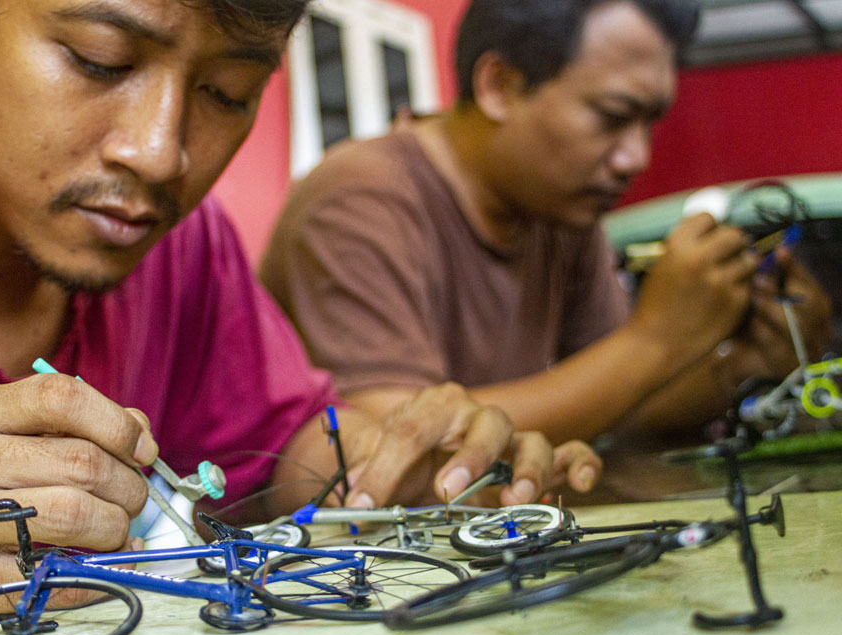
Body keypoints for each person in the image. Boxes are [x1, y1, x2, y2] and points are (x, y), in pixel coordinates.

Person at [0, 0, 603, 635]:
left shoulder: (173, 243)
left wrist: (398, 476)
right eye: (101, 59)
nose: (161, 155)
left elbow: (281, 457)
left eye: (227, 93)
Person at [261, 0, 830, 447]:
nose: (636, 157)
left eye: (649, 123)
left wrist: (748, 361)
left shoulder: (557, 209)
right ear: (499, 86)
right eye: (612, 117)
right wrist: (656, 338)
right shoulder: (361, 199)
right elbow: (400, 444)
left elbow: (618, 402)